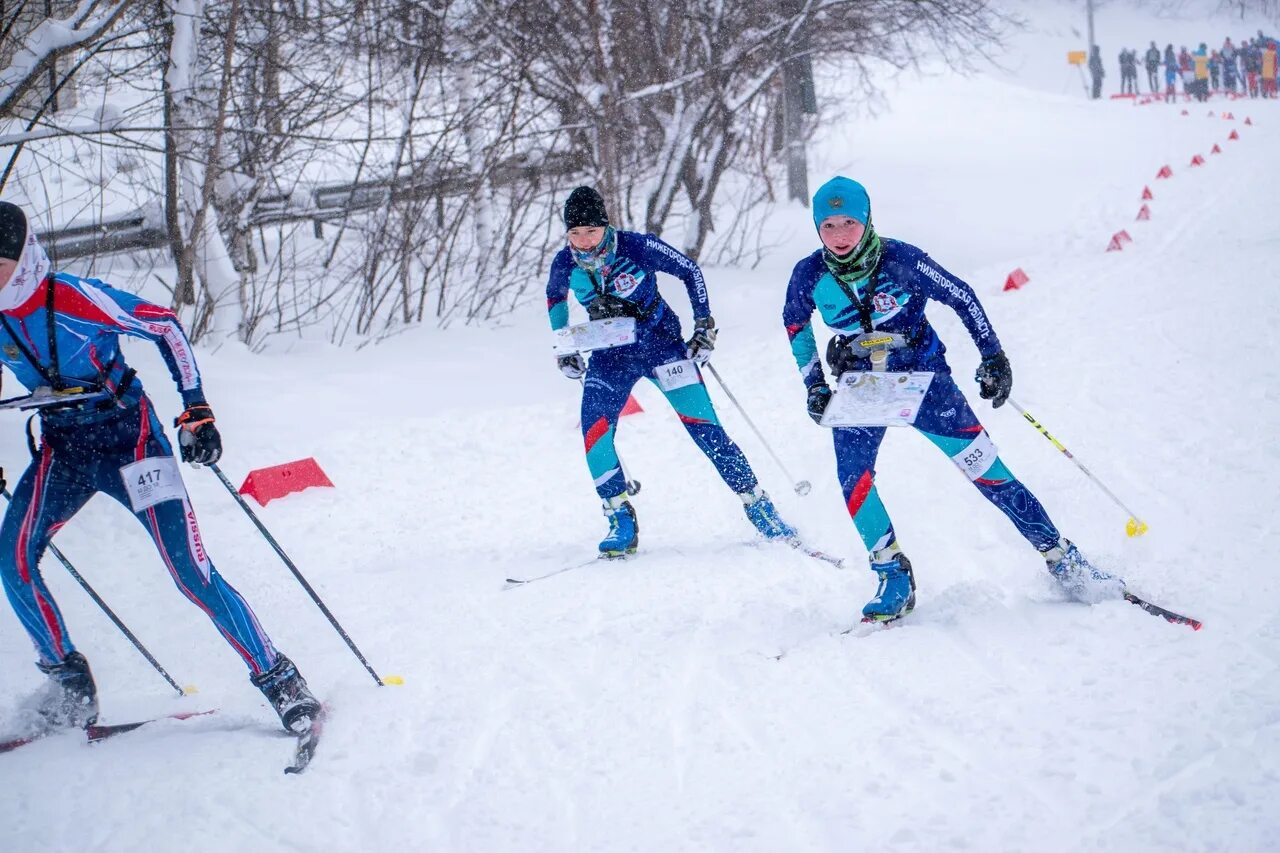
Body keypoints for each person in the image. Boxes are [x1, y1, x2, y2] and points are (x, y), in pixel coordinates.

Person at [0, 201, 319, 734]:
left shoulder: (75, 298)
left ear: (22, 257)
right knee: (12, 560)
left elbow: (164, 326)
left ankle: (279, 678)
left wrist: (196, 407)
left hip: (133, 444)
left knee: (190, 573)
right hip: (64, 451)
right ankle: (68, 686)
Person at [781, 177, 1123, 623]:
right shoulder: (809, 274)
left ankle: (1062, 558)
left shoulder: (902, 259)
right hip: (864, 388)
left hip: (925, 381)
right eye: (829, 226)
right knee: (853, 477)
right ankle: (892, 574)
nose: (841, 235)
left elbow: (963, 297)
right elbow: (795, 327)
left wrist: (993, 357)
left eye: (849, 222)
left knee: (985, 469)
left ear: (867, 220)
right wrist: (815, 385)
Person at [545, 186, 794, 557]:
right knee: (594, 432)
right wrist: (564, 347)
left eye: (591, 232)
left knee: (706, 430)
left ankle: (759, 506)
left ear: (605, 226)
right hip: (610, 355)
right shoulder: (564, 262)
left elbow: (689, 270)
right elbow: (555, 299)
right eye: (575, 233)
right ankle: (619, 518)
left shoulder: (636, 246)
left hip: (662, 347)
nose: (583, 241)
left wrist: (704, 325)